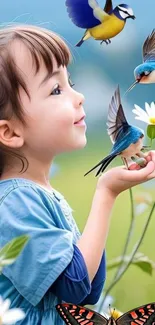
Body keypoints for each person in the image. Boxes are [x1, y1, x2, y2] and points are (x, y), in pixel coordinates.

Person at [0, 25, 154, 325]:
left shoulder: (39, 194)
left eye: (69, 82)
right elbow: (75, 284)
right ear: (10, 131)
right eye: (56, 90)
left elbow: (88, 293)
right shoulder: (16, 202)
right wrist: (106, 192)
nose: (79, 96)